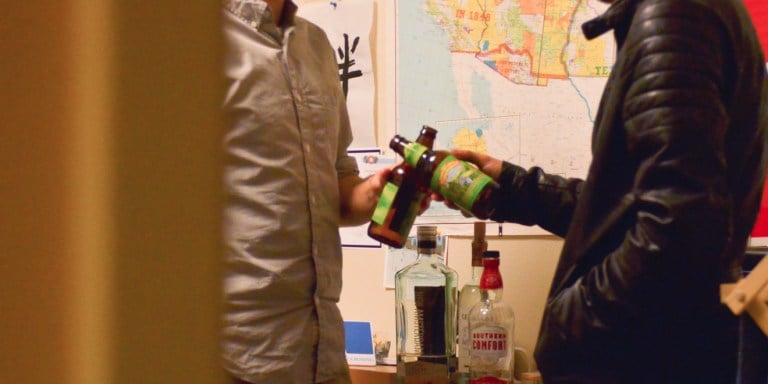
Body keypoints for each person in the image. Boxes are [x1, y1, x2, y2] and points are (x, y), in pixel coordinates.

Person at [445, 0, 768, 382]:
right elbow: (634, 212)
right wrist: (513, 189)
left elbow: (678, 229)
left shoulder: (676, 16)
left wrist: (571, 322)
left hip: (648, 362)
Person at [220, 0, 390, 382]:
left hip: (323, 350)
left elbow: (337, 185)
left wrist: (377, 192)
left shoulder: (316, 45)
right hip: (235, 355)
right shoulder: (189, 42)